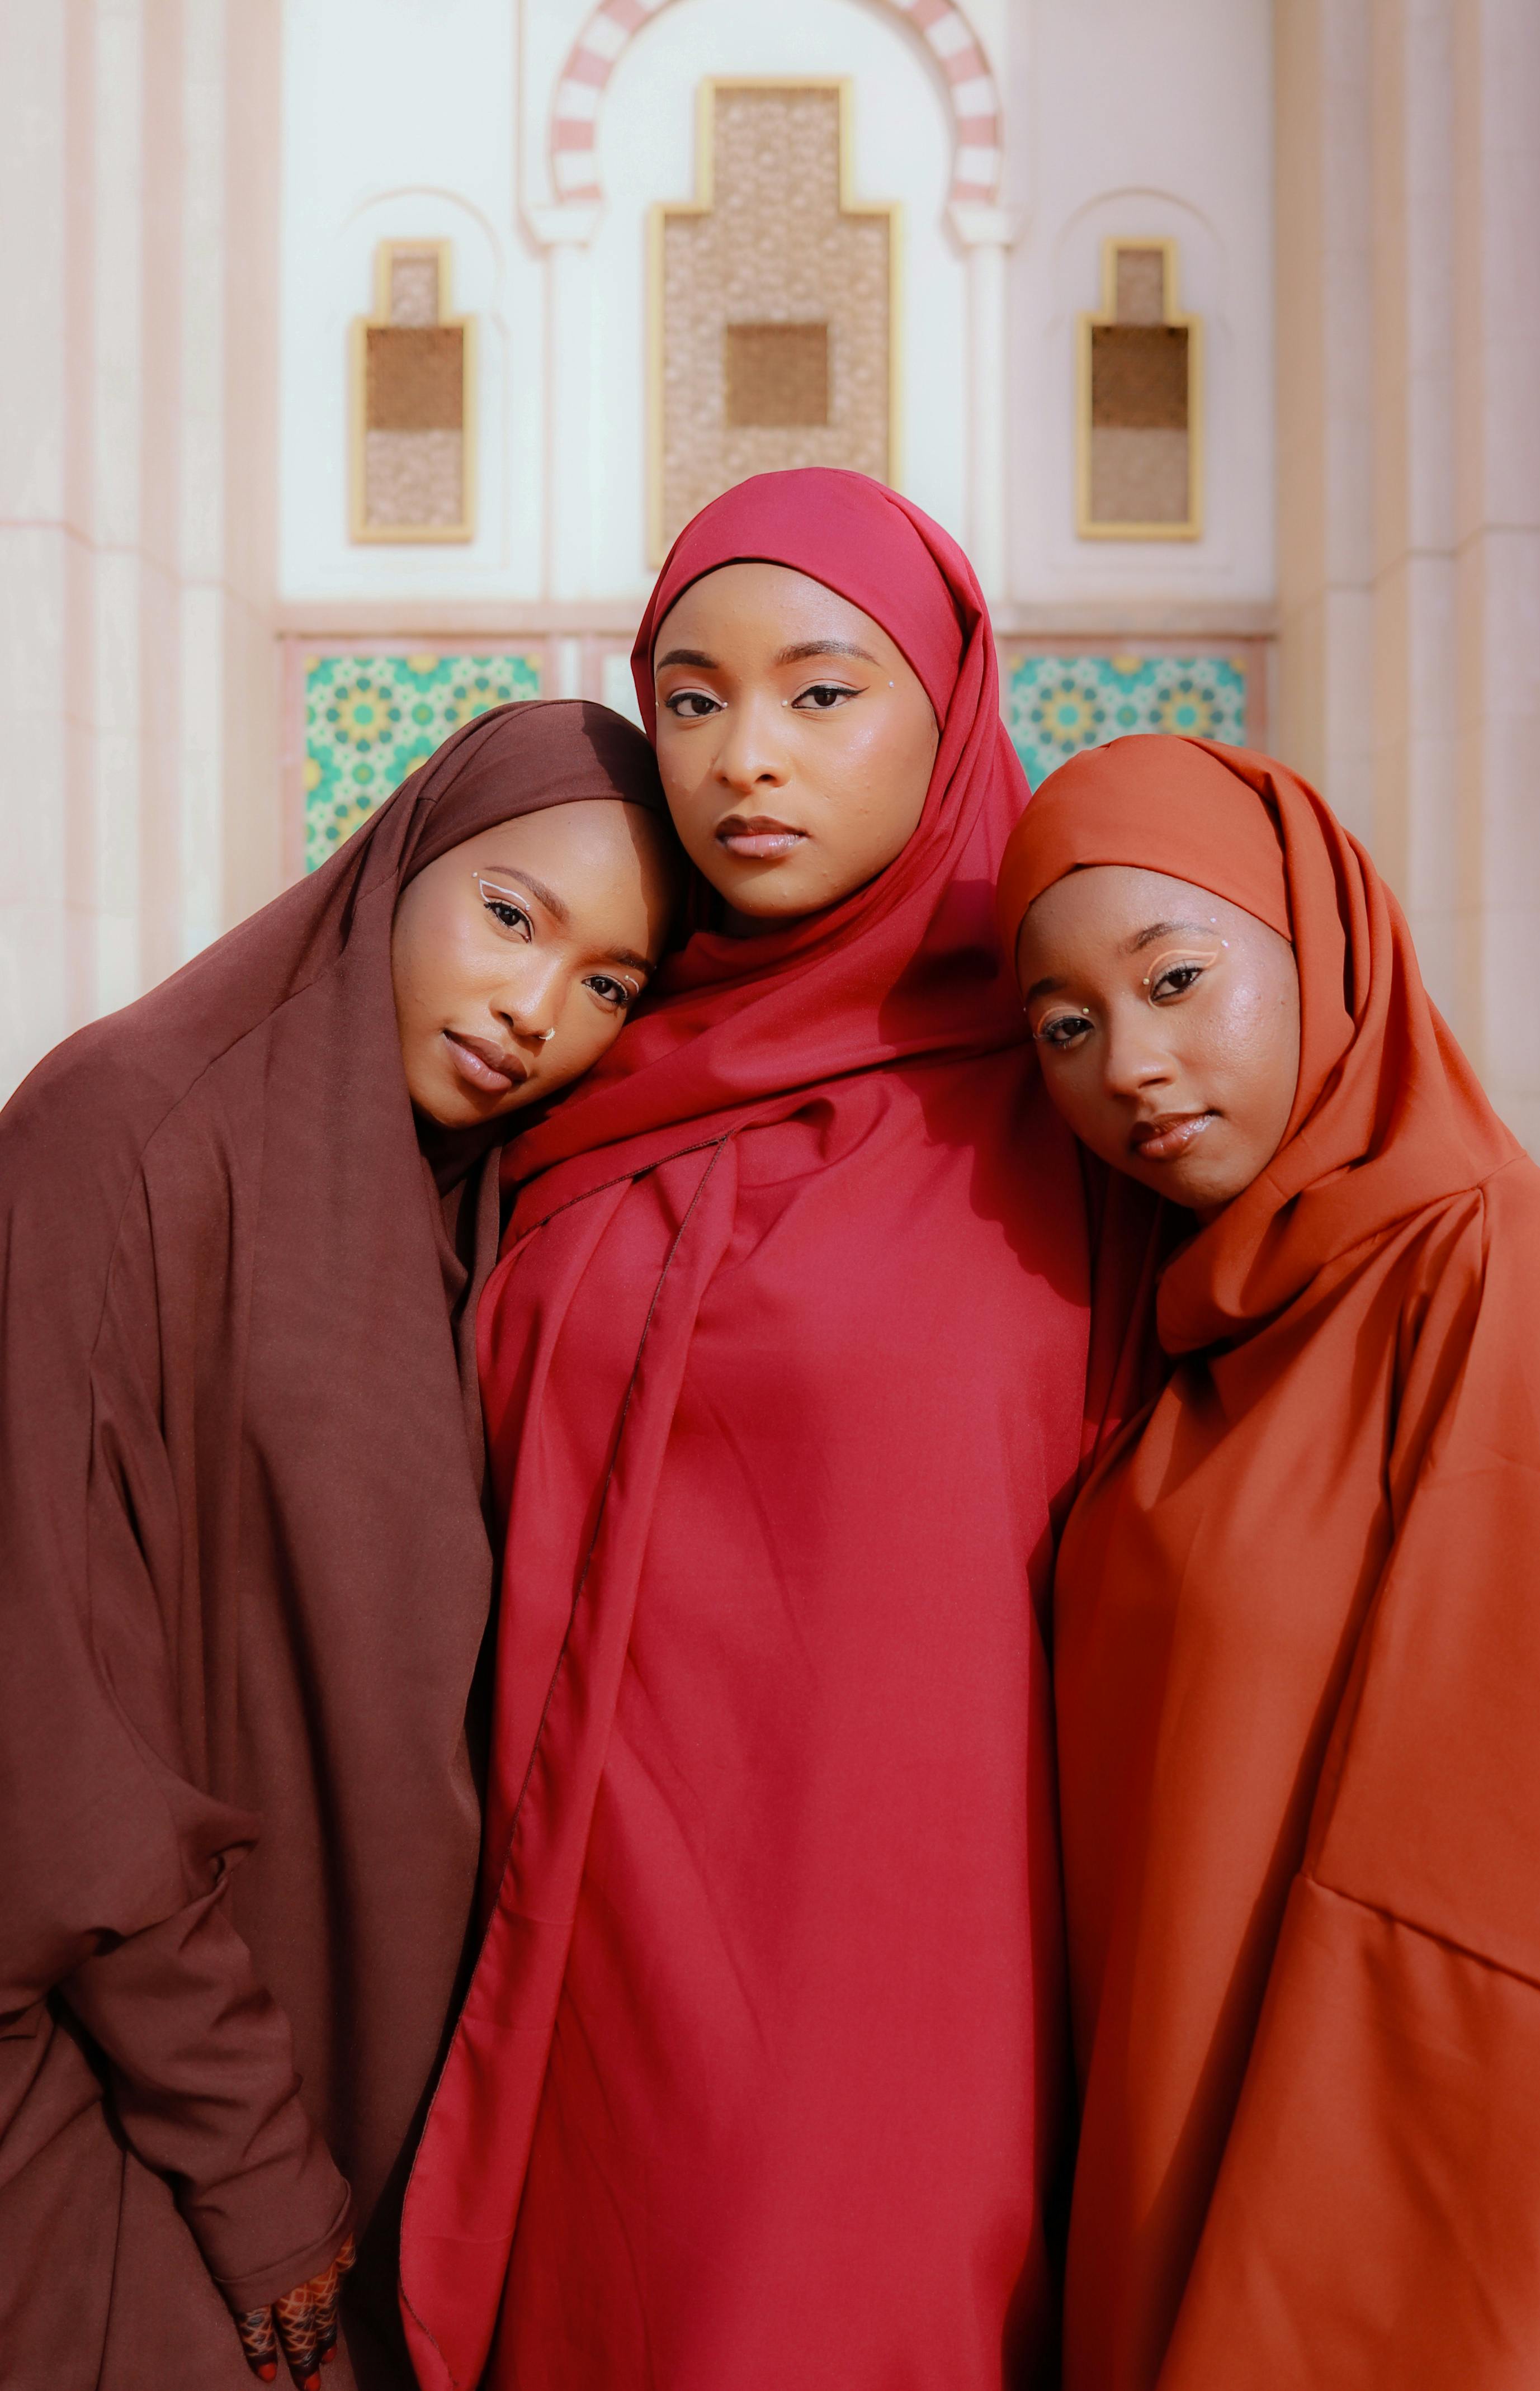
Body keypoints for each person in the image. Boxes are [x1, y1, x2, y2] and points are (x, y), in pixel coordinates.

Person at [399, 470, 1153, 2391]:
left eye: (824, 694)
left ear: (950, 701)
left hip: (906, 1989)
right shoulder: (585, 1048)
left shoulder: (1065, 1088)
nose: (748, 760)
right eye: (692, 696)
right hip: (570, 1944)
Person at [0, 702, 679, 2391]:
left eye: (608, 983)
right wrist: (254, 2171)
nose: (536, 1010)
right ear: (395, 867)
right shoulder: (125, 1128)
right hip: (123, 2121)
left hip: (341, 2128)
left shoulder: (479, 1202)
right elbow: (56, 1729)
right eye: (512, 916)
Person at [995, 731, 1540, 2388]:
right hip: (1151, 2185)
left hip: (1367, 2262)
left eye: (1177, 978)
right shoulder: (1172, 1349)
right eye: (1064, 1026)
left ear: (1324, 950)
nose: (1130, 1062)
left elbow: (1507, 1918)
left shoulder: (1502, 1272)